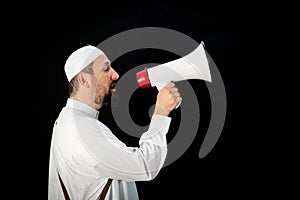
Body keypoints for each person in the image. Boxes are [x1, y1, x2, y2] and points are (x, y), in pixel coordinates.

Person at [48, 45, 182, 200]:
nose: (116, 75)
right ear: (84, 80)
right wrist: (161, 112)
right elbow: (146, 166)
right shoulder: (82, 130)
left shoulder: (67, 122)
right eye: (106, 69)